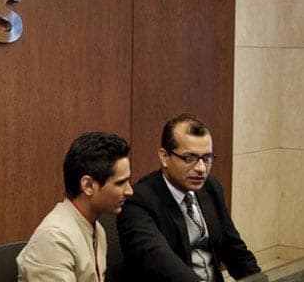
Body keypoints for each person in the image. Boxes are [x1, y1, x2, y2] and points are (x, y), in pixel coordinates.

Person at [117, 113, 261, 282]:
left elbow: (235, 250)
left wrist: (259, 280)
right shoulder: (139, 202)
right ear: (164, 157)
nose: (201, 168)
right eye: (189, 158)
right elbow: (162, 264)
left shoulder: (210, 187)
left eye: (207, 158)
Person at [17, 131, 133, 282]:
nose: (129, 191)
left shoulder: (97, 229)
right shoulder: (54, 238)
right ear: (88, 186)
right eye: (120, 183)